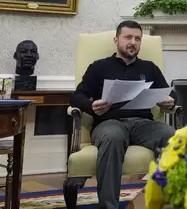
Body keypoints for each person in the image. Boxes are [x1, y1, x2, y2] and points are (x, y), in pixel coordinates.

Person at [70, 20, 176, 209]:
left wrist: (170, 100)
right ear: (116, 40)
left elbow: (170, 92)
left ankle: (172, 201)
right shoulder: (99, 67)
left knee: (173, 136)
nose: (133, 42)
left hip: (143, 124)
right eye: (128, 37)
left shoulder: (149, 68)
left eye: (137, 38)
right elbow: (77, 96)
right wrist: (91, 105)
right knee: (112, 137)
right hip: (109, 123)